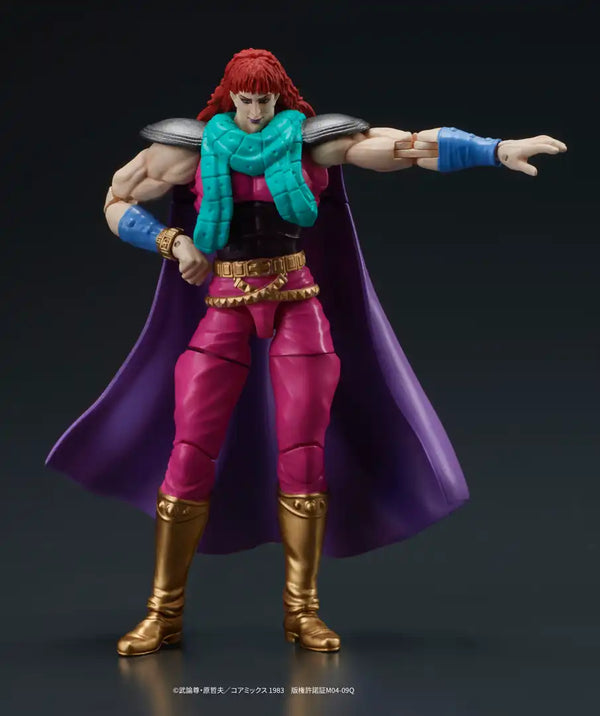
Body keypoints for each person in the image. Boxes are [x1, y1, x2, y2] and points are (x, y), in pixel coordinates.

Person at [46, 49, 566, 657]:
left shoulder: (310, 143)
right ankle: (163, 614)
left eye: (265, 100)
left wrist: (494, 149)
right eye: (246, 100)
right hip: (224, 302)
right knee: (188, 452)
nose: (256, 111)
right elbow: (116, 198)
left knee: (304, 455)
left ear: (280, 96)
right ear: (229, 97)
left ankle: (303, 612)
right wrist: (170, 240)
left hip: (296, 299)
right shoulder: (191, 148)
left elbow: (406, 147)